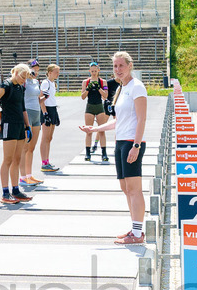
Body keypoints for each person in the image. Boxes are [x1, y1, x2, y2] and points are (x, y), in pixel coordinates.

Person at [79, 51, 148, 245]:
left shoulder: (137, 87)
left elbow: (142, 119)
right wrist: (95, 129)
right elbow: (118, 121)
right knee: (125, 188)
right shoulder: (120, 88)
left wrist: (136, 145)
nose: (118, 69)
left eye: (121, 65)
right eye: (115, 66)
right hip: (120, 142)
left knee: (134, 189)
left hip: (132, 142)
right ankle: (134, 228)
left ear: (130, 66)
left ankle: (137, 233)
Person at [0, 63, 33, 205]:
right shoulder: (6, 86)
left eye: (26, 78)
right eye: (22, 77)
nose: (24, 80)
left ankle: (15, 190)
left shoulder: (20, 87)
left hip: (19, 125)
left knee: (17, 159)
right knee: (8, 159)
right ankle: (5, 192)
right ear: (16, 73)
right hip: (8, 125)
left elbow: (23, 108)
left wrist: (27, 126)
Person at [20, 59, 44, 187]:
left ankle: (29, 175)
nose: (35, 71)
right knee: (25, 146)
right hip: (27, 112)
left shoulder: (35, 82)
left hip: (36, 112)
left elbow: (37, 97)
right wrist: (26, 76)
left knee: (31, 148)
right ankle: (23, 177)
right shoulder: (23, 81)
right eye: (33, 69)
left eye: (37, 69)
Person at [81, 62, 109, 161]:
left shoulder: (103, 81)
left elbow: (105, 95)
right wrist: (88, 89)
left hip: (99, 106)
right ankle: (88, 153)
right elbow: (83, 97)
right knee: (89, 131)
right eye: (92, 71)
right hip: (90, 107)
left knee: (101, 131)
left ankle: (104, 153)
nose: (93, 73)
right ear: (89, 71)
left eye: (95, 71)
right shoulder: (85, 81)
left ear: (98, 71)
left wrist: (99, 88)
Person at [39, 63, 62, 172]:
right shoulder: (45, 82)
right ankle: (44, 163)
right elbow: (41, 98)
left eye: (58, 72)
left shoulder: (53, 83)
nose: (58, 74)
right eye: (56, 72)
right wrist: (45, 113)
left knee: (49, 138)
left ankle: (47, 161)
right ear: (49, 72)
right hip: (47, 110)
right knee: (45, 137)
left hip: (53, 109)